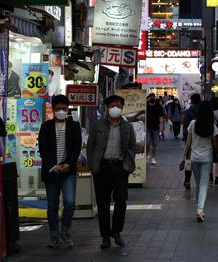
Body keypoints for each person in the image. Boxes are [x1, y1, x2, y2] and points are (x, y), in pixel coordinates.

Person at [87, 95, 137, 249]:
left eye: (119, 105)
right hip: (102, 168)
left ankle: (116, 232)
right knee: (103, 204)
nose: (116, 107)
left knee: (121, 201)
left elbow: (132, 147)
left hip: (120, 168)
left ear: (122, 108)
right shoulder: (97, 125)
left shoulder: (128, 127)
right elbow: (90, 146)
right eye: (113, 104)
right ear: (107, 107)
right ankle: (105, 236)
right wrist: (92, 165)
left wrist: (128, 164)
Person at [38, 95, 83, 248]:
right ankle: (54, 235)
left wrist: (69, 164)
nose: (61, 111)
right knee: (52, 205)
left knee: (70, 203)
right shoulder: (46, 126)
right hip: (51, 171)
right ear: (53, 109)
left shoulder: (74, 126)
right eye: (58, 109)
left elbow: (77, 147)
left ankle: (65, 231)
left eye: (64, 108)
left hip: (68, 171)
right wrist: (53, 166)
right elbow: (42, 149)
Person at [181, 101, 218, 222]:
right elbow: (215, 144)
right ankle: (200, 209)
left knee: (198, 184)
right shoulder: (212, 126)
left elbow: (188, 142)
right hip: (207, 158)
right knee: (203, 185)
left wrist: (183, 157)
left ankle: (199, 209)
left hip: (194, 157)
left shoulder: (193, 123)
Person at [181, 93, 201, 189]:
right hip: (202, 139)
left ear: (192, 101)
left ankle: (187, 180)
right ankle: (201, 181)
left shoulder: (189, 112)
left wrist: (185, 138)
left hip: (191, 139)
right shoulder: (203, 110)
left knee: (188, 160)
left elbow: (185, 127)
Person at [146, 93, 164, 165]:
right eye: (150, 97)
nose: (152, 99)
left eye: (153, 97)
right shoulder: (146, 106)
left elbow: (161, 117)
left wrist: (161, 126)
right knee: (147, 142)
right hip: (147, 127)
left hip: (156, 128)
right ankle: (147, 154)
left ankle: (153, 158)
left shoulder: (158, 106)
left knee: (155, 144)